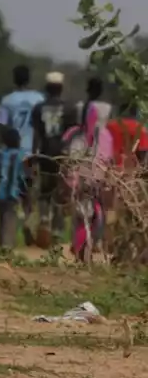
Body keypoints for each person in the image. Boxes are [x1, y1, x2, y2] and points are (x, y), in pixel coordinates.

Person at [30, 71, 76, 247]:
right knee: (60, 194)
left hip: (45, 155)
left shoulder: (38, 108)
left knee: (44, 192)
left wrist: (34, 157)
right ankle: (57, 232)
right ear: (61, 88)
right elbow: (73, 135)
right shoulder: (70, 108)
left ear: (47, 88)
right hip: (63, 156)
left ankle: (43, 220)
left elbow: (36, 135)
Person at [65, 100, 114, 263]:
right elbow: (72, 161)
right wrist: (74, 183)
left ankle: (84, 248)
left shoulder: (101, 136)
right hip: (85, 184)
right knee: (83, 217)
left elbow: (107, 159)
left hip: (95, 184)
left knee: (94, 217)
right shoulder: (79, 136)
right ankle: (82, 251)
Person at [0, 127, 28, 249]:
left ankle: (2, 244)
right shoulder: (22, 156)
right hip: (12, 193)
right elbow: (23, 176)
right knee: (9, 218)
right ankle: (7, 246)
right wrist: (25, 194)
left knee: (1, 219)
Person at [0, 65, 44, 155]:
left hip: (13, 152)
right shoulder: (39, 99)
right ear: (29, 79)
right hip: (33, 151)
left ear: (14, 79)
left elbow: (1, 126)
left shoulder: (6, 100)